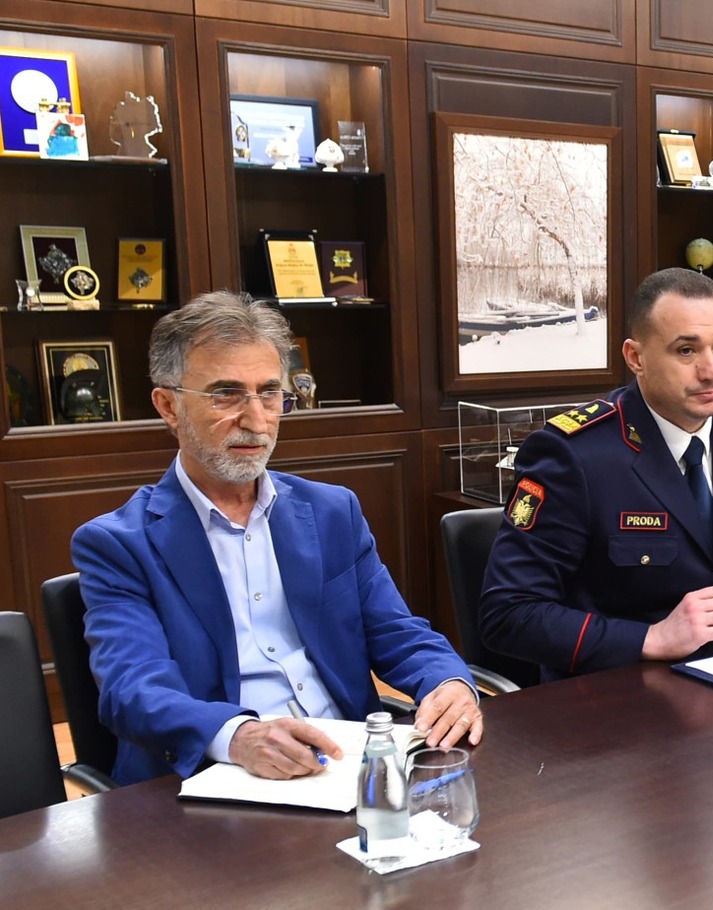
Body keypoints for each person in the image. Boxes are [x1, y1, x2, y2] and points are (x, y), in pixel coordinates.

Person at [73, 292, 481, 786]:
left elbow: (398, 632)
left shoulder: (332, 512)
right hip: (213, 777)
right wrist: (238, 735)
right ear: (168, 406)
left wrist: (448, 680)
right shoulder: (118, 544)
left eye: (270, 393)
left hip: (349, 763)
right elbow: (133, 690)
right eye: (226, 394)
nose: (257, 420)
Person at [479, 268, 713, 678]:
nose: (712, 371)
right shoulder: (576, 455)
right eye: (686, 351)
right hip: (621, 691)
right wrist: (651, 639)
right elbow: (507, 613)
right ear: (636, 358)